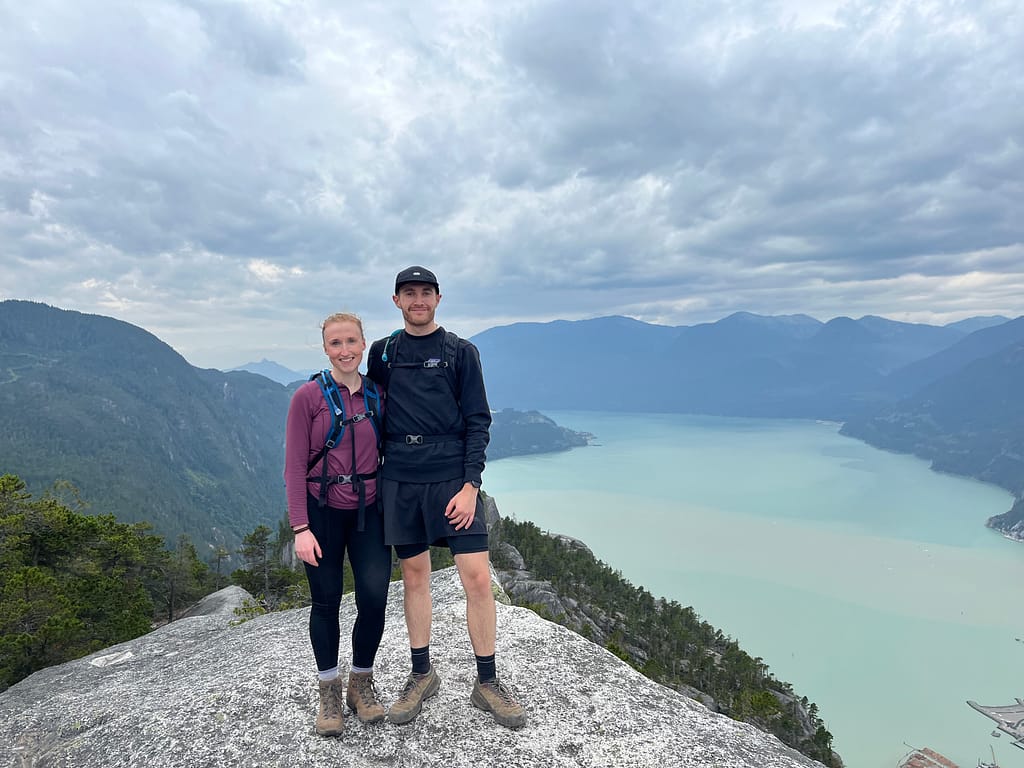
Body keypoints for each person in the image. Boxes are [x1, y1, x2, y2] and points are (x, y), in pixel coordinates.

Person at [367, 266, 526, 729]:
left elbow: (478, 419)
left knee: (477, 579)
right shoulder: (385, 352)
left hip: (450, 479)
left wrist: (470, 485)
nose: (418, 300)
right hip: (399, 477)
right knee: (414, 577)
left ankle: (487, 682)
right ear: (396, 301)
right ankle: (421, 673)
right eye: (408, 293)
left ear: (438, 298)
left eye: (425, 292)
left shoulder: (460, 352)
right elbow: (373, 408)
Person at [284, 312, 393, 736]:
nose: (344, 350)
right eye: (335, 343)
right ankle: (329, 689)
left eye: (351, 341)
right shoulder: (308, 398)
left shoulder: (377, 396)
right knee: (326, 602)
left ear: (364, 344)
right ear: (325, 348)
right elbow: (294, 467)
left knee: (374, 599)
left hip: (370, 511)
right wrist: (300, 528)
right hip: (322, 512)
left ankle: (360, 684)